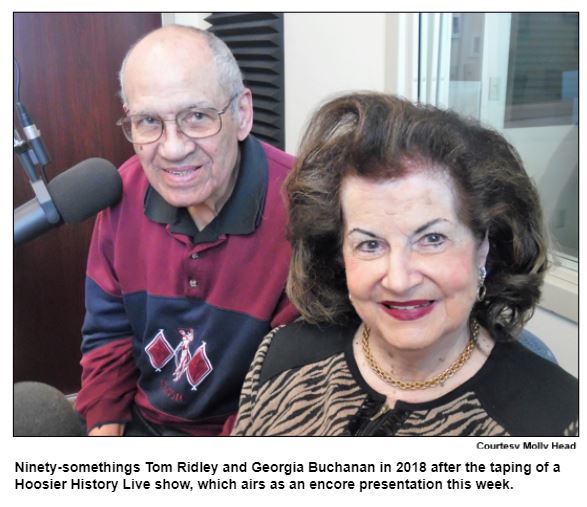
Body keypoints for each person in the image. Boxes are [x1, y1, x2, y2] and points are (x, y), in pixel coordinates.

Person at [232, 92, 578, 436]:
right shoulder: (280, 358)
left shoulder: (557, 419)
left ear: (484, 246)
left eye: (432, 239)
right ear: (339, 254)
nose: (399, 280)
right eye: (369, 244)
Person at [75, 25, 297, 436]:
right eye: (148, 121)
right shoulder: (121, 194)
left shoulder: (303, 210)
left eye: (197, 117)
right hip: (142, 424)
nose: (173, 148)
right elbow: (108, 332)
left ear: (242, 114)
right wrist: (105, 426)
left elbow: (289, 389)